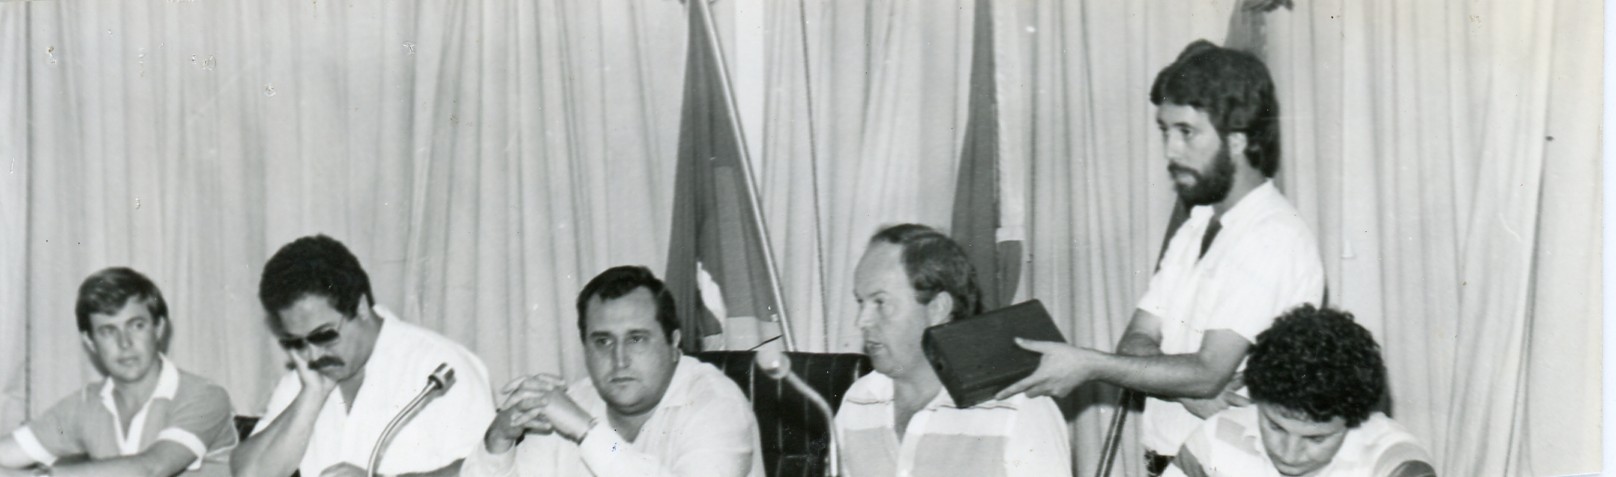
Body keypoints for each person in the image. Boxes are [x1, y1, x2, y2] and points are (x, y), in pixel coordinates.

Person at [996, 39, 1326, 476]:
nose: (1170, 151)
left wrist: (1090, 364)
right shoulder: (1197, 226)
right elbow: (1136, 339)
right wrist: (1186, 388)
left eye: (1186, 132)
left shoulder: (1272, 237)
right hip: (1168, 463)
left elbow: (1207, 371)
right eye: (1165, 131)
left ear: (1237, 140)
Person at [231, 235, 495, 477]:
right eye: (296, 342)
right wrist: (311, 396)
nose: (313, 354)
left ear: (360, 307)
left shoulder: (440, 364)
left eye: (323, 335)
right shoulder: (305, 376)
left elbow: (486, 469)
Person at [461, 265, 763, 477]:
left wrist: (586, 430)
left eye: (636, 339)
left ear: (674, 344)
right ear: (585, 348)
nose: (619, 360)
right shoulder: (574, 402)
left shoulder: (716, 404)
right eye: (603, 341)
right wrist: (499, 440)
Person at [837, 224, 1071, 476]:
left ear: (937, 308)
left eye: (880, 302)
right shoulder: (859, 401)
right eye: (861, 302)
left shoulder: (1017, 408)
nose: (861, 321)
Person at [0, 267, 237, 477]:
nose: (125, 343)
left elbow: (151, 469)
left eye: (137, 326)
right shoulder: (84, 404)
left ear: (158, 328)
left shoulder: (203, 396)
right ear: (90, 341)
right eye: (108, 331)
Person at [1166, 305, 1435, 477]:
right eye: (1275, 427)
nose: (1289, 453)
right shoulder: (1216, 438)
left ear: (1353, 420)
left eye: (1316, 439)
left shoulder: (1392, 460)